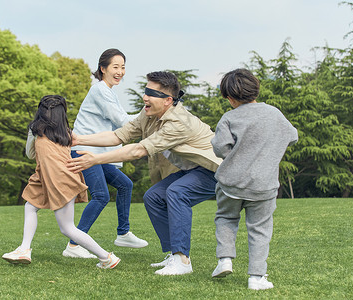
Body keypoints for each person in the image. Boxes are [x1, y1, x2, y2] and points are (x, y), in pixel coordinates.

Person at [67, 71, 222, 275]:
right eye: (145, 91)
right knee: (153, 197)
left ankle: (182, 261)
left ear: (168, 100)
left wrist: (95, 159)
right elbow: (118, 136)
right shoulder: (148, 114)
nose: (145, 97)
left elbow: (138, 150)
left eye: (151, 93)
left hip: (211, 170)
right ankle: (173, 255)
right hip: (189, 169)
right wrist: (80, 140)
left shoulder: (178, 122)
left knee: (176, 192)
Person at [2, 95, 120, 270]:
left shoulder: (36, 130)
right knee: (30, 206)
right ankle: (24, 249)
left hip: (58, 179)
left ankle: (107, 257)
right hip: (54, 177)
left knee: (67, 228)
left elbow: (30, 154)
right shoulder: (66, 133)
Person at [210, 69, 298, 290]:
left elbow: (220, 148)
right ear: (255, 88)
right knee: (260, 229)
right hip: (263, 185)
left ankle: (225, 260)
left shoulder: (229, 118)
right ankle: (257, 278)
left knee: (226, 218)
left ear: (229, 98)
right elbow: (292, 136)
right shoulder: (274, 114)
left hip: (230, 184)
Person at [62, 48, 148, 259]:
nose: (120, 71)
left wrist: (148, 108)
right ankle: (73, 245)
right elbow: (123, 122)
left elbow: (124, 119)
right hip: (84, 151)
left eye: (123, 67)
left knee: (125, 184)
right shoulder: (100, 90)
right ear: (103, 69)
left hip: (96, 153)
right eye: (115, 67)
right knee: (100, 196)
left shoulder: (108, 91)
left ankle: (123, 233)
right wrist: (150, 106)